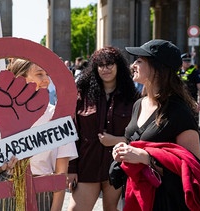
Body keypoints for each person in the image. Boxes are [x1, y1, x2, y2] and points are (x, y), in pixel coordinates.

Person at [112, 39, 200, 210]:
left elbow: (194, 169)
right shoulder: (139, 104)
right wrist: (122, 148)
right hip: (135, 195)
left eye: (139, 60)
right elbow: (133, 140)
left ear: (157, 68)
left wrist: (147, 158)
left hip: (165, 202)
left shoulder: (179, 111)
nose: (133, 65)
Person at [0, 59, 78, 211]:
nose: (46, 80)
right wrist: (2, 164)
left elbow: (61, 174)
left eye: (47, 74)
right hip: (7, 192)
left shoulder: (57, 116)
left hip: (43, 193)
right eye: (39, 74)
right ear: (21, 79)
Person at [67, 46, 140, 211]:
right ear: (95, 68)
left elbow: (142, 136)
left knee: (111, 209)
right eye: (100, 65)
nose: (105, 69)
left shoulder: (133, 98)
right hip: (87, 165)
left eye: (109, 64)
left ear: (118, 66)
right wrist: (71, 168)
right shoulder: (82, 95)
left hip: (118, 167)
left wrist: (118, 140)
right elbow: (72, 133)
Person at [178, 53, 200, 152]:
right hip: (180, 103)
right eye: (186, 60)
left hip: (192, 103)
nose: (188, 62)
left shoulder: (193, 71)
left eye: (189, 60)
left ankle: (199, 147)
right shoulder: (178, 71)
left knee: (195, 125)